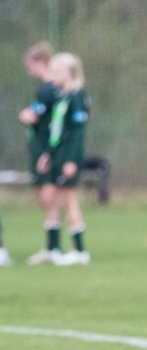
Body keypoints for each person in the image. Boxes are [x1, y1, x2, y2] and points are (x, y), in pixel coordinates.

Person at [30, 53, 91, 266]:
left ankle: (80, 251)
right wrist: (48, 154)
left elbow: (76, 133)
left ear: (70, 73)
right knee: (53, 199)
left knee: (69, 201)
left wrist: (71, 160)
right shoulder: (62, 96)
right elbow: (57, 131)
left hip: (68, 158)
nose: (52, 76)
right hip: (57, 155)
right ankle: (53, 249)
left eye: (57, 72)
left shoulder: (77, 96)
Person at [17, 42, 56, 264]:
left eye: (30, 64)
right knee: (45, 198)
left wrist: (25, 115)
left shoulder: (47, 90)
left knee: (48, 197)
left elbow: (33, 116)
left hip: (45, 151)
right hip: (40, 149)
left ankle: (54, 247)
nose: (28, 69)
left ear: (40, 62)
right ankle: (52, 247)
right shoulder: (44, 89)